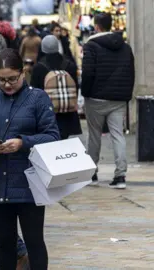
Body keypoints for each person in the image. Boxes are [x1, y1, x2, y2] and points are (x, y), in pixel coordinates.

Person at [0, 48, 60, 270]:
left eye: (12, 79)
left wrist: (22, 142)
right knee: (5, 243)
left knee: (34, 241)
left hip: (30, 182)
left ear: (23, 73)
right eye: (1, 80)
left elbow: (52, 135)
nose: (7, 84)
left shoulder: (37, 98)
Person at [81, 13, 135, 189]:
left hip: (96, 97)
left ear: (96, 26)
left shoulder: (91, 45)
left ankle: (92, 173)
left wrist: (85, 93)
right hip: (118, 99)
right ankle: (120, 176)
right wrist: (126, 95)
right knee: (117, 135)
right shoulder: (125, 47)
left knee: (94, 136)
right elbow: (130, 72)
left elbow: (88, 72)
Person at [30, 35, 82, 140]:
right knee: (63, 140)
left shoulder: (39, 67)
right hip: (67, 111)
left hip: (47, 113)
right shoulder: (69, 65)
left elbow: (34, 91)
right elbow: (75, 87)